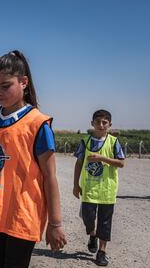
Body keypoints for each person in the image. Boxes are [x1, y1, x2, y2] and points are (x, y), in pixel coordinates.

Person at [0, 50, 67, 268]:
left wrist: (55, 223)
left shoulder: (38, 123)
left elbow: (49, 176)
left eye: (5, 86)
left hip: (22, 215)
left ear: (23, 82)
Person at [73, 109, 125, 266]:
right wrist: (76, 184)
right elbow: (79, 163)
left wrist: (103, 158)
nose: (101, 125)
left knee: (105, 222)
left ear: (110, 124)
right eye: (98, 122)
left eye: (104, 122)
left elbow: (121, 163)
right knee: (88, 218)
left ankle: (101, 252)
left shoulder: (114, 142)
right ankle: (92, 234)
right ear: (92, 123)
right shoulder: (85, 141)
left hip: (107, 191)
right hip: (89, 190)